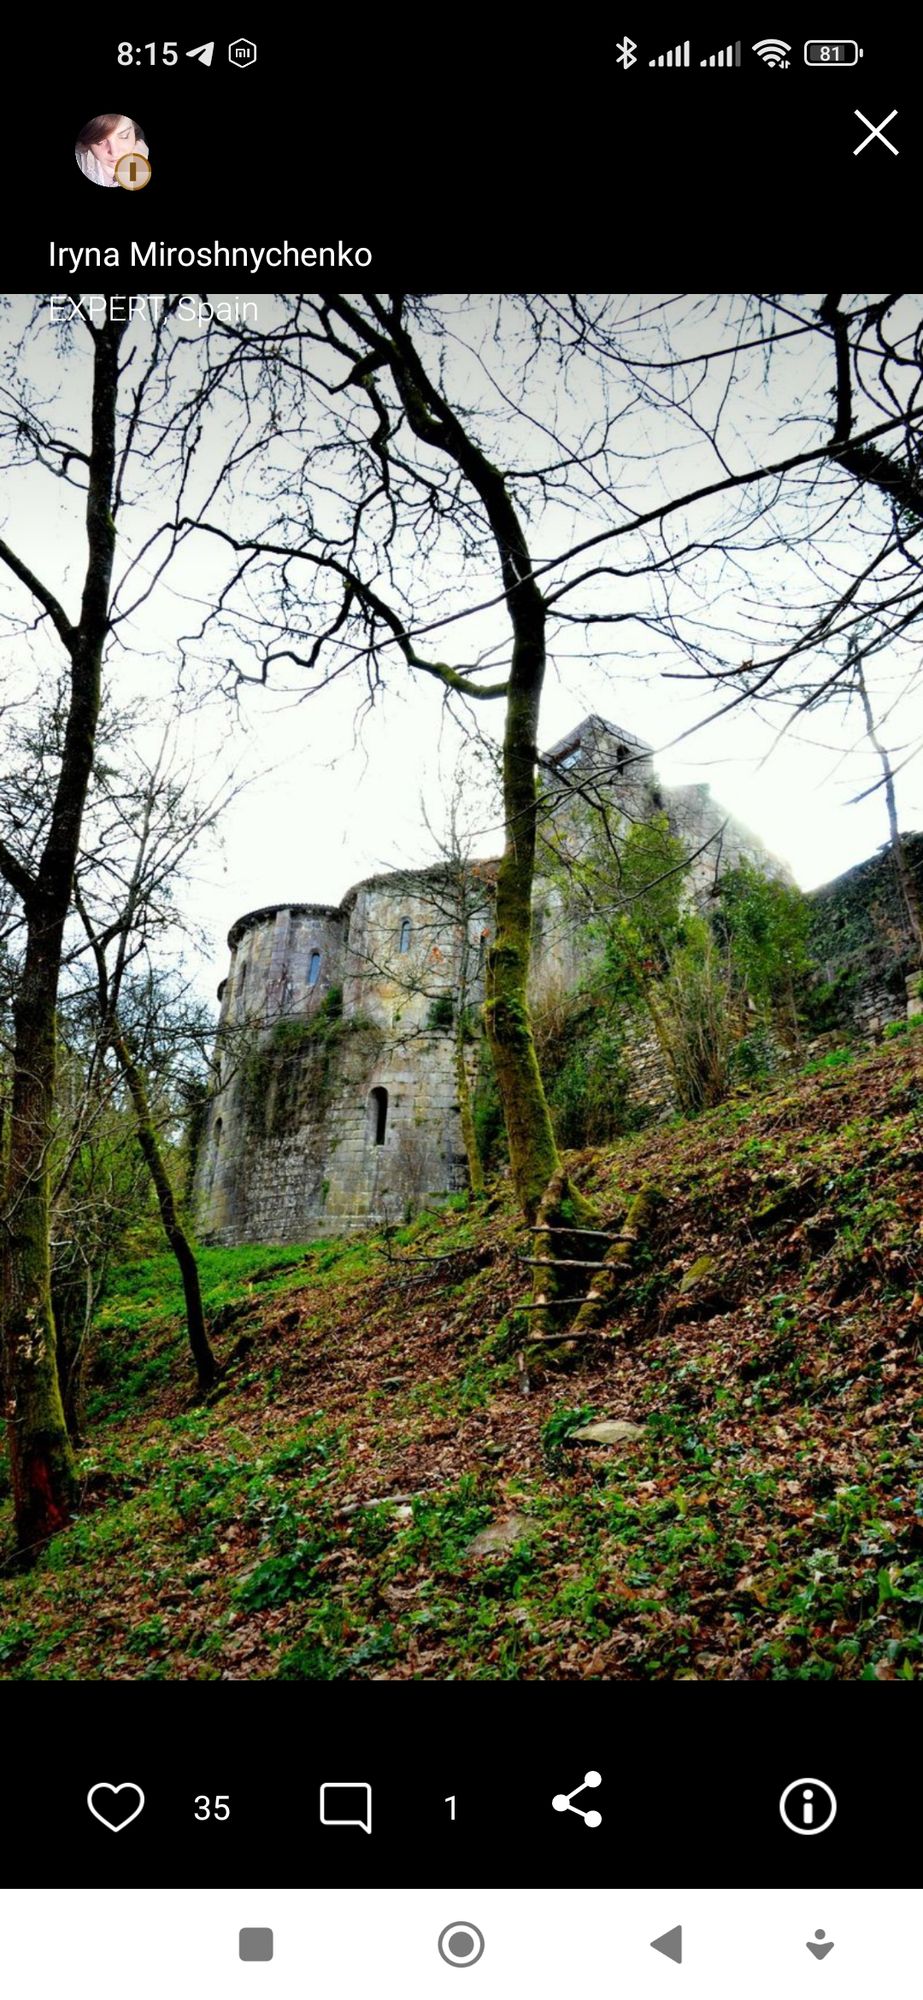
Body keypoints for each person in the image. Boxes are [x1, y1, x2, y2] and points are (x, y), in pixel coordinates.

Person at [75, 114, 148, 187]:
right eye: (99, 142)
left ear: (134, 130)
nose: (114, 153)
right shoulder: (82, 164)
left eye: (124, 136)